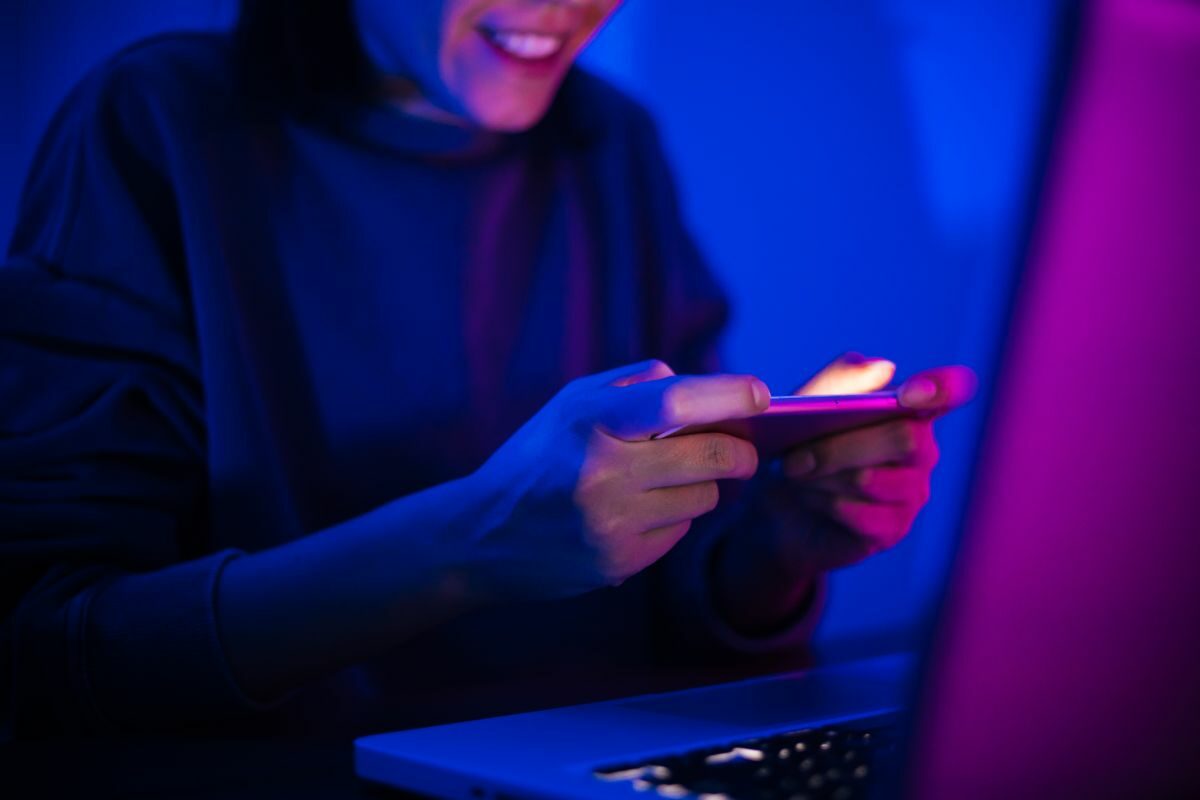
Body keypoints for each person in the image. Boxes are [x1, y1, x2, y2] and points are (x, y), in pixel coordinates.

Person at [0, 0, 974, 739]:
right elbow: (47, 647)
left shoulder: (610, 142)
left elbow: (680, 606)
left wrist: (778, 548)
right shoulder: (161, 122)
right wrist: (464, 544)